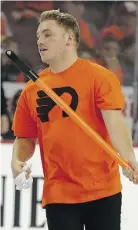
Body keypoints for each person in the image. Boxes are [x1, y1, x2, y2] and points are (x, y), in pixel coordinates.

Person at [11, 10, 138, 230]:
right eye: (38, 36)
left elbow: (115, 123)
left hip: (103, 189)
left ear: (69, 38)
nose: (40, 40)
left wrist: (129, 158)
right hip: (59, 194)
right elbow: (25, 136)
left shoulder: (99, 77)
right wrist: (17, 161)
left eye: (48, 34)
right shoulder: (32, 89)